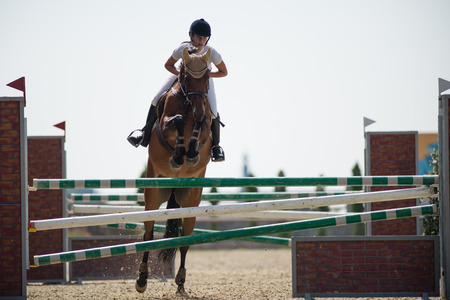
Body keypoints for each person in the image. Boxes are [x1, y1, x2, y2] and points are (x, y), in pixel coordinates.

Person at [127, 18, 228, 162]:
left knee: (213, 111)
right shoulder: (182, 49)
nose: (201, 41)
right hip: (183, 77)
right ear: (191, 36)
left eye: (205, 38)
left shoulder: (212, 52)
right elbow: (168, 65)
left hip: (203, 82)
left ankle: (216, 147)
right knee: (157, 98)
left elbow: (224, 72)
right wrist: (183, 75)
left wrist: (203, 76)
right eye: (199, 37)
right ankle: (145, 132)